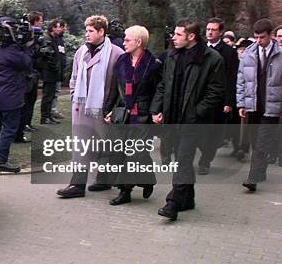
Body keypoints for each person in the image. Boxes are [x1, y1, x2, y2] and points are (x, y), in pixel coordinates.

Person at [150, 20, 225, 221]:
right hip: (173, 118)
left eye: (178, 34)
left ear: (191, 36)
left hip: (194, 121)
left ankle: (173, 202)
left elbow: (215, 91)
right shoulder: (172, 56)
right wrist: (156, 109)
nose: (173, 37)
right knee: (180, 158)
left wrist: (197, 112)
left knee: (183, 159)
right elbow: (163, 85)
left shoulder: (212, 58)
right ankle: (188, 198)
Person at [56, 15, 124, 198]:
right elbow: (74, 76)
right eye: (86, 31)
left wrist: (112, 107)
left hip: (102, 108)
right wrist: (73, 95)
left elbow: (119, 85)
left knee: (104, 145)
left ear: (101, 31)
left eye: (91, 31)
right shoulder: (81, 51)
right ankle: (77, 185)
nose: (87, 34)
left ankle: (105, 179)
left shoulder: (116, 53)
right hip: (82, 107)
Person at [103, 25, 161, 205]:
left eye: (127, 39)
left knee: (136, 153)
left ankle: (126, 190)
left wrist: (156, 111)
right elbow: (115, 88)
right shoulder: (121, 60)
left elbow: (158, 91)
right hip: (123, 113)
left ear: (139, 42)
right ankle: (144, 181)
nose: (124, 42)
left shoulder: (154, 64)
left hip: (142, 115)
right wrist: (108, 109)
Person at [0, 17, 33, 173]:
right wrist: (25, 47)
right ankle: (1, 160)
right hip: (10, 96)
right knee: (9, 129)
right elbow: (27, 64)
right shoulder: (13, 51)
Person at [237, 18, 282, 191]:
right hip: (253, 104)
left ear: (270, 35)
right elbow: (241, 80)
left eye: (262, 37)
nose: (258, 41)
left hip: (272, 105)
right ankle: (260, 171)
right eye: (256, 37)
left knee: (263, 141)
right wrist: (241, 104)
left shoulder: (280, 54)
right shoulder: (248, 53)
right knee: (256, 141)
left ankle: (253, 177)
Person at [197, 17, 238, 174]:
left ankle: (205, 160)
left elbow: (231, 77)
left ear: (220, 32)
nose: (210, 32)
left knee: (213, 133)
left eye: (213, 29)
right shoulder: (200, 49)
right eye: (208, 29)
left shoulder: (229, 52)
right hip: (201, 96)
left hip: (219, 98)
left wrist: (229, 101)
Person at [15, 11, 43, 142]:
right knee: (23, 103)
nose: (41, 23)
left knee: (31, 101)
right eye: (40, 20)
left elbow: (36, 55)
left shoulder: (37, 38)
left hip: (33, 73)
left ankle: (27, 124)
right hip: (24, 76)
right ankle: (20, 129)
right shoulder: (23, 39)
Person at [37, 19, 65, 125]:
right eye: (58, 27)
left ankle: (48, 116)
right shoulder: (47, 39)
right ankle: (44, 117)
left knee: (51, 95)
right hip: (49, 73)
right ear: (53, 28)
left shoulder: (54, 39)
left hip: (53, 73)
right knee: (47, 95)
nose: (61, 29)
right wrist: (54, 67)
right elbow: (47, 56)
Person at [51, 19, 67, 120]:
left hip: (60, 70)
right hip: (54, 71)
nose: (64, 29)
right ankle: (51, 111)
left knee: (56, 91)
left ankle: (53, 110)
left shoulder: (60, 39)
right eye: (63, 27)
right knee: (52, 92)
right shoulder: (54, 39)